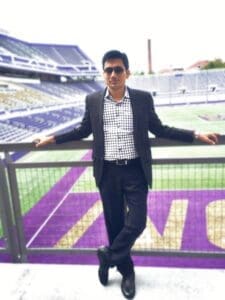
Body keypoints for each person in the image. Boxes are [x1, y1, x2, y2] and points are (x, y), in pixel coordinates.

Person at [35, 50, 219, 299]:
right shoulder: (92, 100)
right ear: (103, 74)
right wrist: (53, 138)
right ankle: (127, 272)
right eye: (108, 70)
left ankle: (107, 255)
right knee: (115, 225)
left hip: (134, 170)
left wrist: (195, 135)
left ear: (127, 73)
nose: (113, 74)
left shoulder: (142, 99)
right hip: (107, 172)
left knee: (138, 221)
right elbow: (82, 130)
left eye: (118, 69)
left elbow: (160, 128)